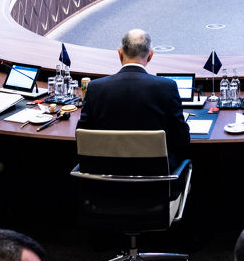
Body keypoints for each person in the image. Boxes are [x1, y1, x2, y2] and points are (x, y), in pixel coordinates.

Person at [78, 28, 190, 168]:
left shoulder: (95, 88)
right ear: (150, 56)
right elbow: (182, 139)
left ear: (120, 54)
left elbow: (82, 137)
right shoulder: (167, 87)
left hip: (105, 180)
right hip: (155, 181)